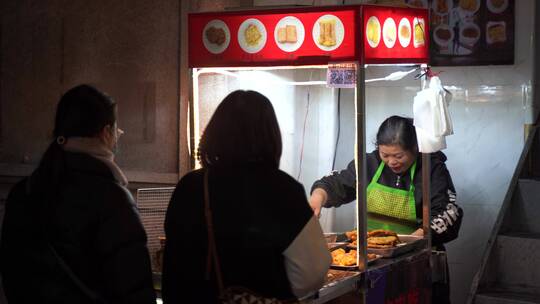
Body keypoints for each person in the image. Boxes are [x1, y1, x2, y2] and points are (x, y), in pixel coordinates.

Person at [162, 90, 331, 303]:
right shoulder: (284, 190)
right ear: (271, 136)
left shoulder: (190, 186)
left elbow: (173, 266)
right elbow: (313, 271)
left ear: (214, 133)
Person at [0, 85, 156, 303]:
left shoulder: (24, 192)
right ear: (106, 133)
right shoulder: (113, 200)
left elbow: (12, 275)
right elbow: (133, 289)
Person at [309, 115, 462, 304]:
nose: (391, 162)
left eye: (398, 156)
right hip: (371, 259)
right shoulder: (369, 164)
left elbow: (447, 211)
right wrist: (318, 198)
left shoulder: (431, 168)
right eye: (385, 155)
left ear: (415, 148)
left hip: (417, 260)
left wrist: (414, 239)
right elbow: (335, 183)